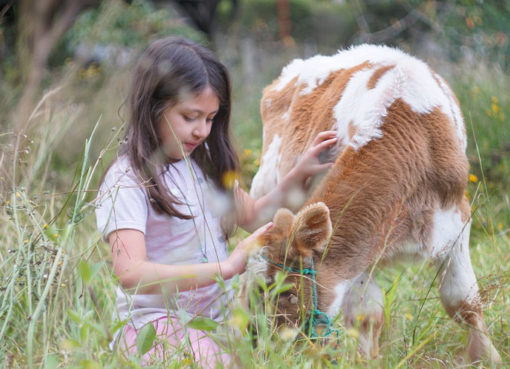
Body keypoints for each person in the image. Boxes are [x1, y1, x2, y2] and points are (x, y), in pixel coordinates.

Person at [95, 36, 337, 367]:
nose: (202, 131)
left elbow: (252, 215)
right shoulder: (128, 180)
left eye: (210, 118)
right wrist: (227, 267)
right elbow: (130, 272)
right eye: (190, 116)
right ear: (152, 106)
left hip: (216, 323)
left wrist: (299, 173)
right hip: (154, 325)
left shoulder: (203, 162)